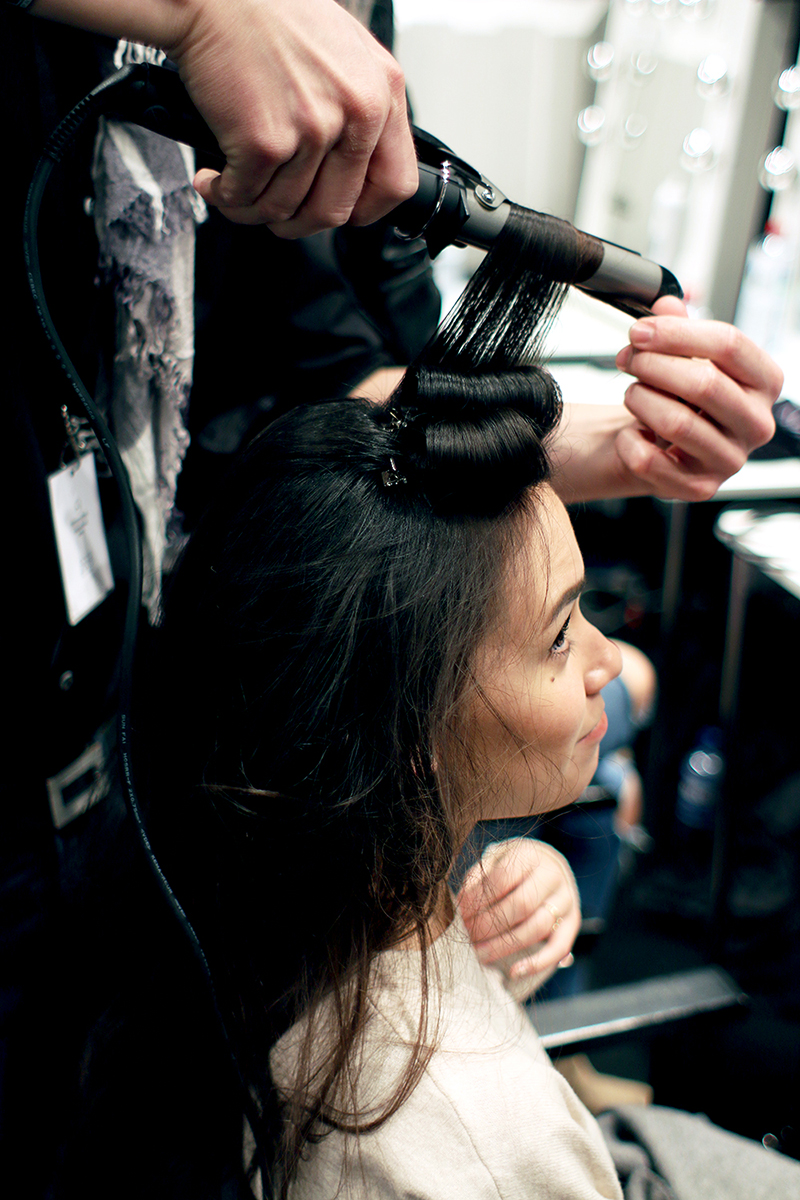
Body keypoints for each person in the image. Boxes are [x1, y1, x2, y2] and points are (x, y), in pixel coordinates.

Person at [142, 208, 796, 1199]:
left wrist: (503, 915)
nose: (607, 663)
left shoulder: (313, 906)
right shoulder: (475, 1155)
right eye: (561, 633)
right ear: (410, 734)